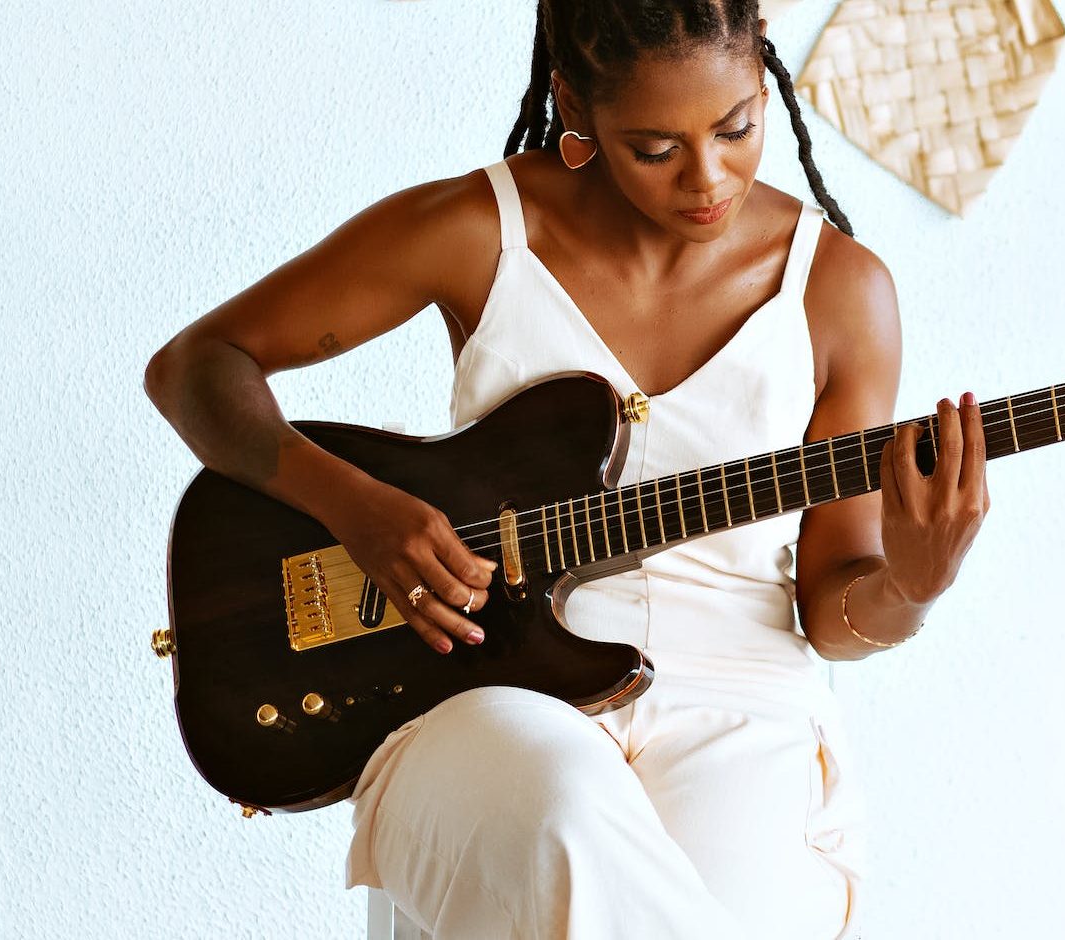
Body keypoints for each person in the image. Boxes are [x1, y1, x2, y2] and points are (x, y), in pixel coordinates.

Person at [144, 2, 990, 936]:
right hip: (491, 682)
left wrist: (910, 587)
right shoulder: (477, 229)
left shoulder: (842, 293)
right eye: (654, 148)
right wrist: (357, 509)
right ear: (575, 110)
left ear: (761, 77)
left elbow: (835, 613)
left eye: (737, 127)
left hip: (742, 703)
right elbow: (196, 367)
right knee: (562, 819)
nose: (708, 179)